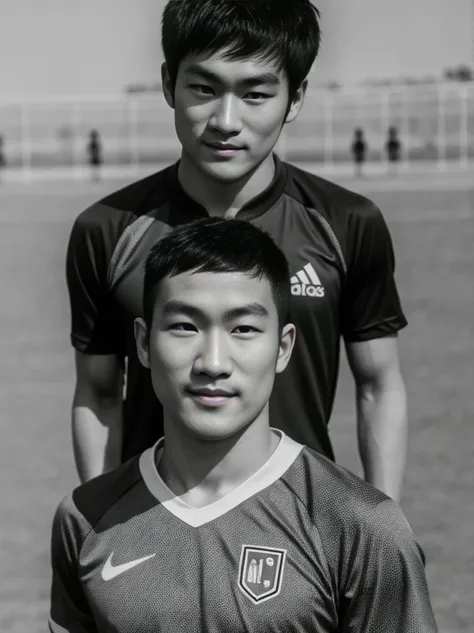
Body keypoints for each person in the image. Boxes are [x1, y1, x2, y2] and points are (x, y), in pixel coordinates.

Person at [50, 218, 449, 633]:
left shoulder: (360, 524)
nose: (213, 361)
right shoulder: (85, 518)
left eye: (243, 328)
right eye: (184, 326)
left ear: (282, 348)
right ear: (143, 343)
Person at [67, 0, 408, 501]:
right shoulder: (108, 231)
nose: (226, 121)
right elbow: (98, 393)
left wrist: (384, 526)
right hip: (154, 533)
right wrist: (101, 525)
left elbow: (379, 385)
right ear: (169, 84)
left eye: (255, 94)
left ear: (294, 99)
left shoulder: (346, 224)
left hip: (305, 531)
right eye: (204, 88)